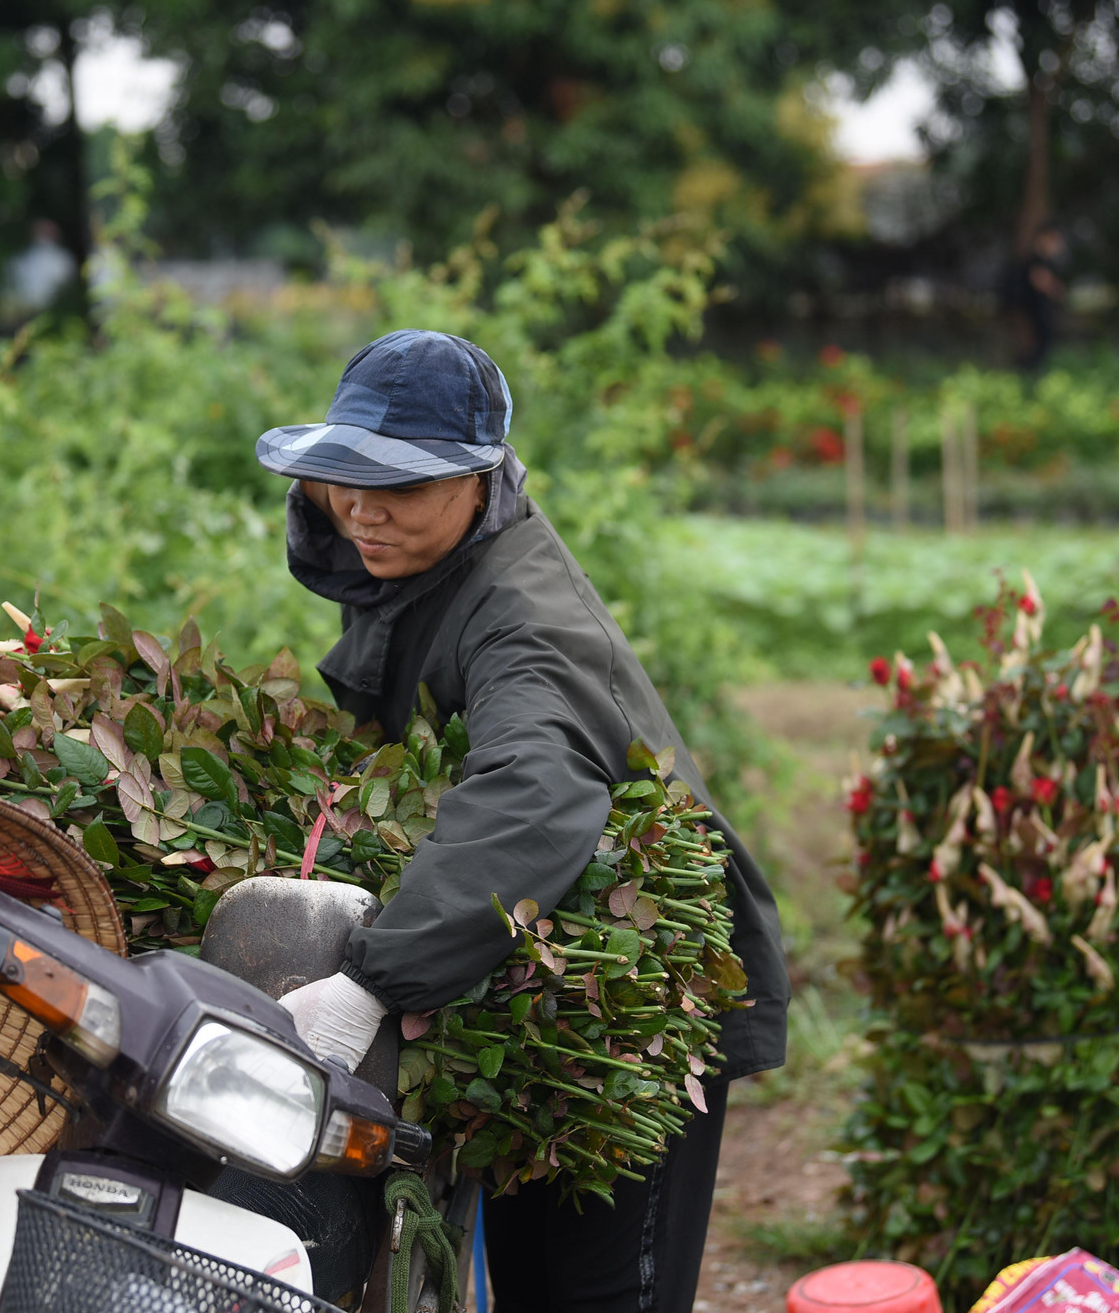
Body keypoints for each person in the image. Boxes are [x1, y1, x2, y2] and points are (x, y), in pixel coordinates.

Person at [258, 329, 790, 1313]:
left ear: (478, 481)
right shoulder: (408, 561)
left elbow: (529, 800)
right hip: (516, 959)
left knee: (592, 1294)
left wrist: (375, 980)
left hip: (635, 995)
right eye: (343, 479)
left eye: (401, 487)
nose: (363, 510)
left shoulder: (522, 620)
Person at [1008, 221, 1067, 371]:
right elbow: (1041, 282)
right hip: (1031, 311)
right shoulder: (1035, 260)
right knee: (1034, 347)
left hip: (1038, 311)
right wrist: (1057, 289)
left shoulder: (1044, 261)